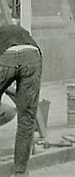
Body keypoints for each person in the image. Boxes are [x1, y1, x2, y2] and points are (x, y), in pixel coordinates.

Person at [0, 23, 42, 176]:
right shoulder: (17, 32)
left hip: (5, 57)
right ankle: (20, 173)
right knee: (26, 119)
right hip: (32, 55)